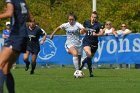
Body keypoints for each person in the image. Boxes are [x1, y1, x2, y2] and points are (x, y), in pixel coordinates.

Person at [0, 0, 33, 93]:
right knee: (6, 69)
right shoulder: (22, 1)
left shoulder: (11, 0)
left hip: (16, 35)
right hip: (23, 36)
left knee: (0, 65)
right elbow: (30, 18)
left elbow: (9, 13)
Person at [79, 11, 103, 77]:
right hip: (86, 41)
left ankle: (84, 63)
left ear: (96, 18)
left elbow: (101, 33)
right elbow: (81, 30)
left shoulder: (98, 24)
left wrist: (96, 34)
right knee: (89, 54)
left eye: (95, 17)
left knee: (89, 58)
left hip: (94, 44)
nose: (93, 18)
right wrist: (81, 31)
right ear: (90, 17)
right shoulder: (86, 22)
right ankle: (90, 72)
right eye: (92, 17)